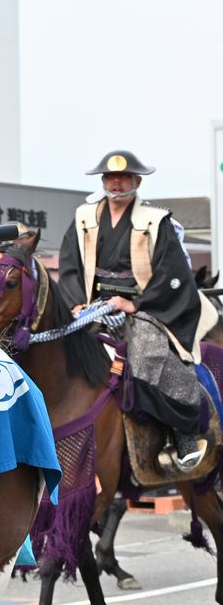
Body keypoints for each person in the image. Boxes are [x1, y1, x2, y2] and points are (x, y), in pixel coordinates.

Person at [58, 150, 216, 471]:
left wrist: (134, 304)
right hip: (95, 307)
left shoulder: (156, 221)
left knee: (148, 356)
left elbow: (173, 273)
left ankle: (181, 434)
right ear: (103, 181)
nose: (116, 184)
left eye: (122, 178)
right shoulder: (85, 218)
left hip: (144, 308)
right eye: (110, 178)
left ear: (136, 181)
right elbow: (70, 264)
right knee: (64, 354)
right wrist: (76, 302)